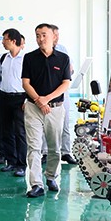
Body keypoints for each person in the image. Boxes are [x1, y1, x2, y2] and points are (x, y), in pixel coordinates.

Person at [21, 23, 71, 198]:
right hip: (33, 108)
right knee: (34, 147)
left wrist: (47, 99)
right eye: (37, 35)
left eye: (44, 35)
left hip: (55, 109)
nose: (40, 39)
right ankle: (36, 184)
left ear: (53, 37)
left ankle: (51, 176)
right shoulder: (29, 58)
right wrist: (38, 100)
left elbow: (66, 83)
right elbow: (25, 82)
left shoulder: (63, 58)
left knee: (54, 147)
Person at [0, 28, 26, 177]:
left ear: (13, 41)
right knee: (6, 131)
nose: (2, 42)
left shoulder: (26, 58)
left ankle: (21, 165)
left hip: (20, 99)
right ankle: (11, 162)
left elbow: (32, 81)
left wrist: (28, 99)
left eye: (5, 39)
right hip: (4, 98)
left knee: (20, 132)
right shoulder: (2, 58)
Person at [49, 24, 77, 165]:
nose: (57, 37)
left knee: (65, 122)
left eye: (58, 35)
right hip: (47, 93)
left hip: (63, 92)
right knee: (46, 125)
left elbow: (70, 70)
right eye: (55, 35)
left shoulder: (62, 50)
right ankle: (45, 153)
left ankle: (66, 152)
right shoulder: (41, 52)